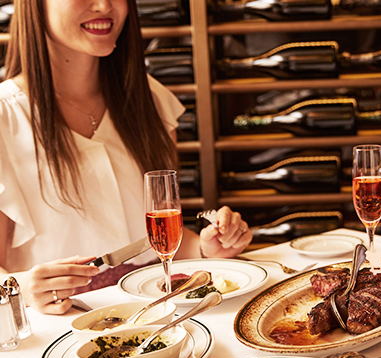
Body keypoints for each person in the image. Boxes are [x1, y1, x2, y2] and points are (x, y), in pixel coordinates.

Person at [0, 0, 251, 315]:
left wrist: (205, 247)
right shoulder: (5, 119)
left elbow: (154, 241)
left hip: (156, 313)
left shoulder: (150, 99)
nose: (105, 5)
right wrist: (22, 288)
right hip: (60, 329)